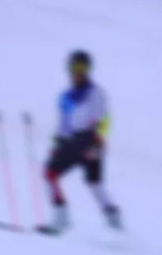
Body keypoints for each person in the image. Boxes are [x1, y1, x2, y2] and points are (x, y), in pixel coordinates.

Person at [43, 49, 121, 233]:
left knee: (93, 183)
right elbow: (64, 124)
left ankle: (114, 224)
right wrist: (57, 144)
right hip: (75, 141)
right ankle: (62, 219)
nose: (78, 71)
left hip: (90, 140)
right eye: (74, 67)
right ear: (69, 69)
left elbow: (105, 119)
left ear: (88, 69)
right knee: (51, 174)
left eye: (82, 67)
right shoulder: (65, 97)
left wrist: (98, 141)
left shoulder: (96, 94)